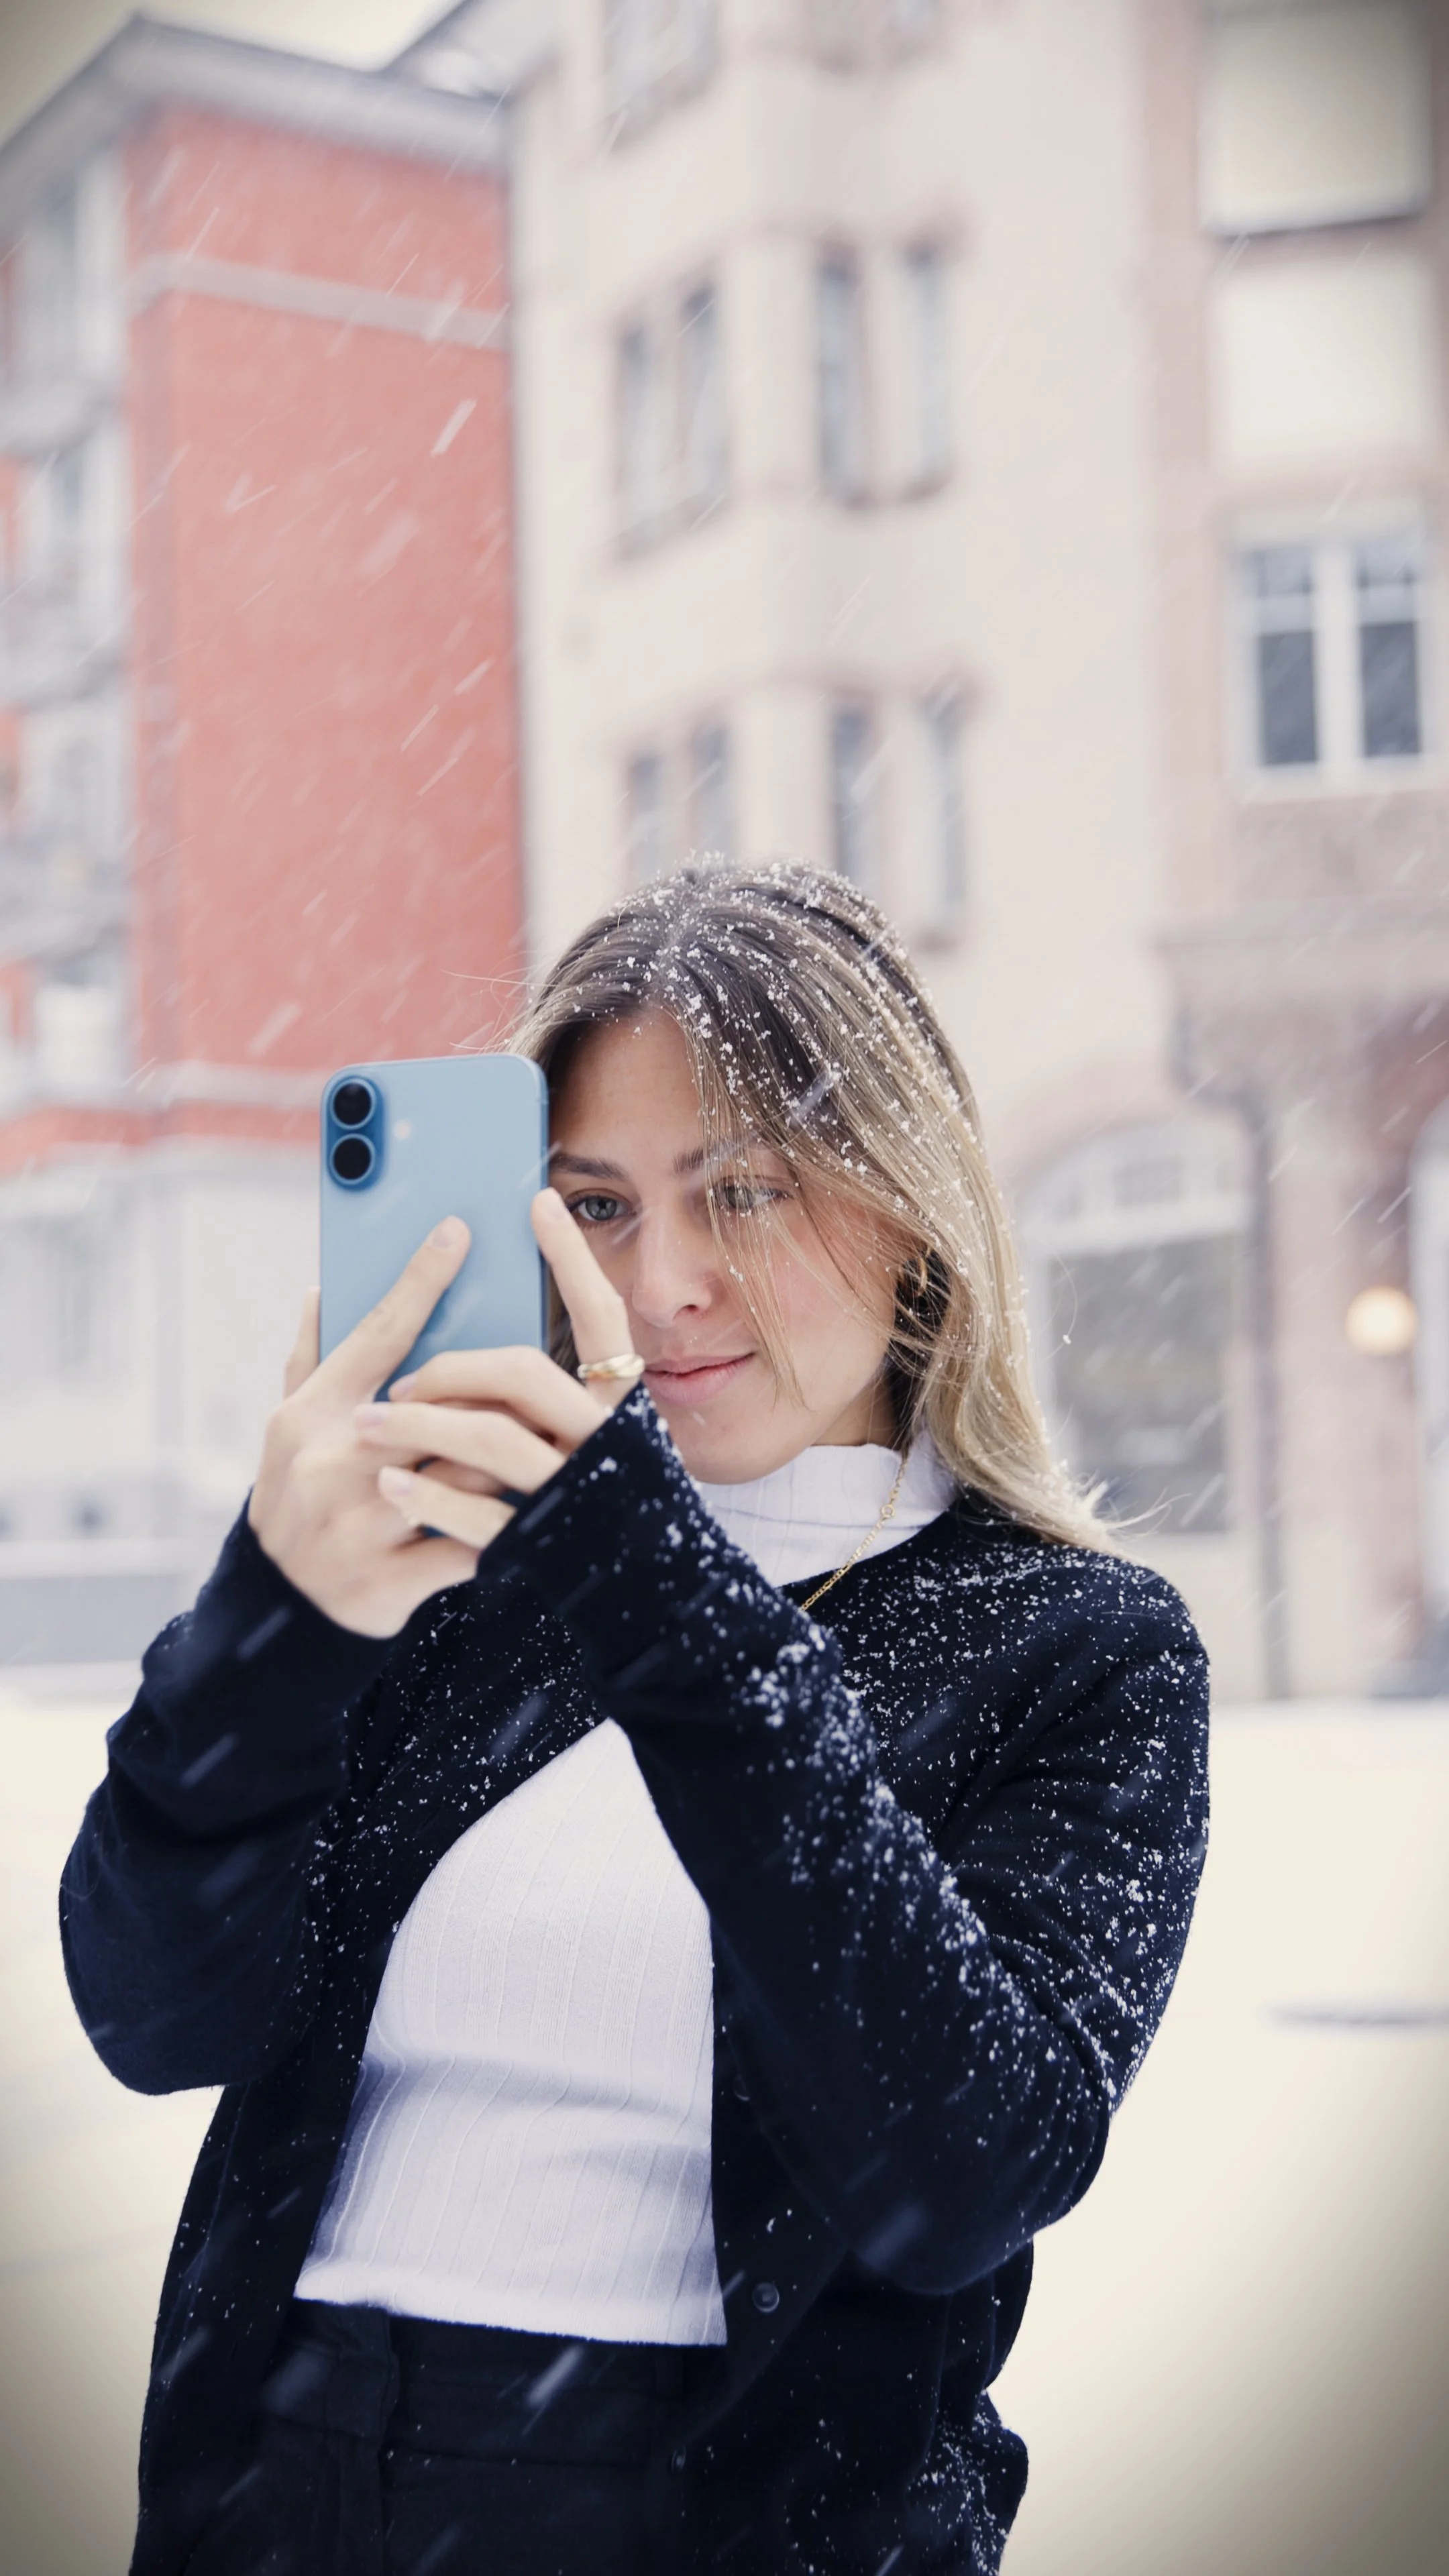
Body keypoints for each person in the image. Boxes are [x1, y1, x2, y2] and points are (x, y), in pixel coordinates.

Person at [62, 864, 1209, 2576]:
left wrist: (637, 1559)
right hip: (289, 2487)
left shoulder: (1076, 1650)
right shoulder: (452, 1596)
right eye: (591, 1206)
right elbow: (155, 2014)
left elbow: (959, 2176)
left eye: (741, 1191)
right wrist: (276, 1618)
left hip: (731, 2521)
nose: (660, 1280)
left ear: (909, 1210)